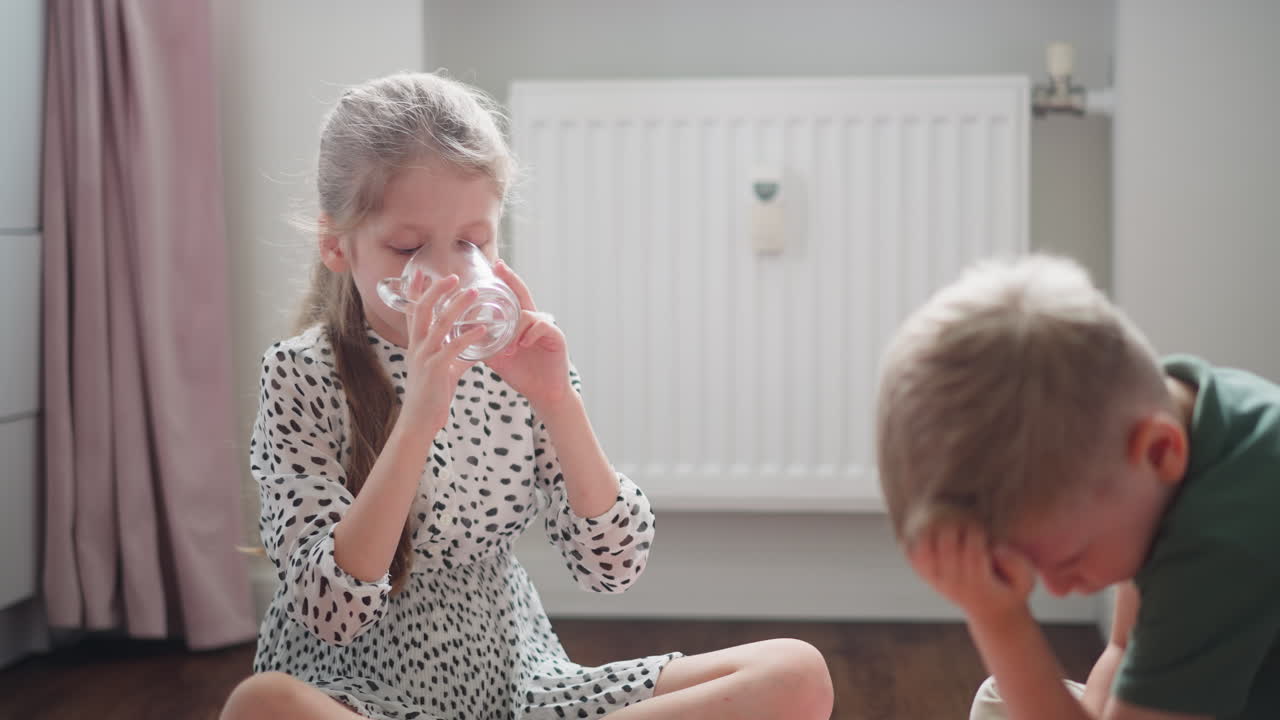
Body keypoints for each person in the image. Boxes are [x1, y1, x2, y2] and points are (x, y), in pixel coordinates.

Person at [218, 72, 833, 720]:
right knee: (262, 706)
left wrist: (558, 402)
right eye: (407, 246)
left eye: (472, 242)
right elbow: (331, 610)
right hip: (361, 698)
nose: (449, 271)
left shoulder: (507, 360)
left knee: (796, 673)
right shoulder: (300, 376)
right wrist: (418, 418)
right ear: (337, 246)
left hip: (518, 689)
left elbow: (613, 568)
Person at [875, 253, 1280, 719]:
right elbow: (1123, 646)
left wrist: (1000, 623)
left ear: (1159, 451)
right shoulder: (1162, 428)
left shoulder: (1222, 538)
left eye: (1069, 561)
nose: (1057, 588)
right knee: (1000, 699)